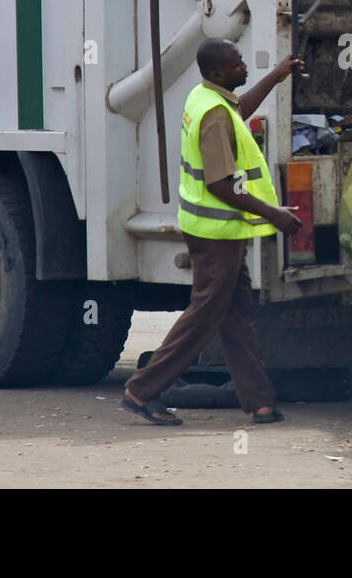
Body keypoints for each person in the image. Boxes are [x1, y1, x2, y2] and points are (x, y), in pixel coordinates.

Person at [121, 39, 304, 426]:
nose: (244, 66)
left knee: (237, 316)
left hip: (218, 231)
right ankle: (142, 390)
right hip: (215, 233)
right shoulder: (214, 113)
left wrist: (276, 75)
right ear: (219, 72)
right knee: (204, 315)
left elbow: (241, 111)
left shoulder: (205, 96)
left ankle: (259, 402)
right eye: (238, 63)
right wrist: (273, 213)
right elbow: (221, 183)